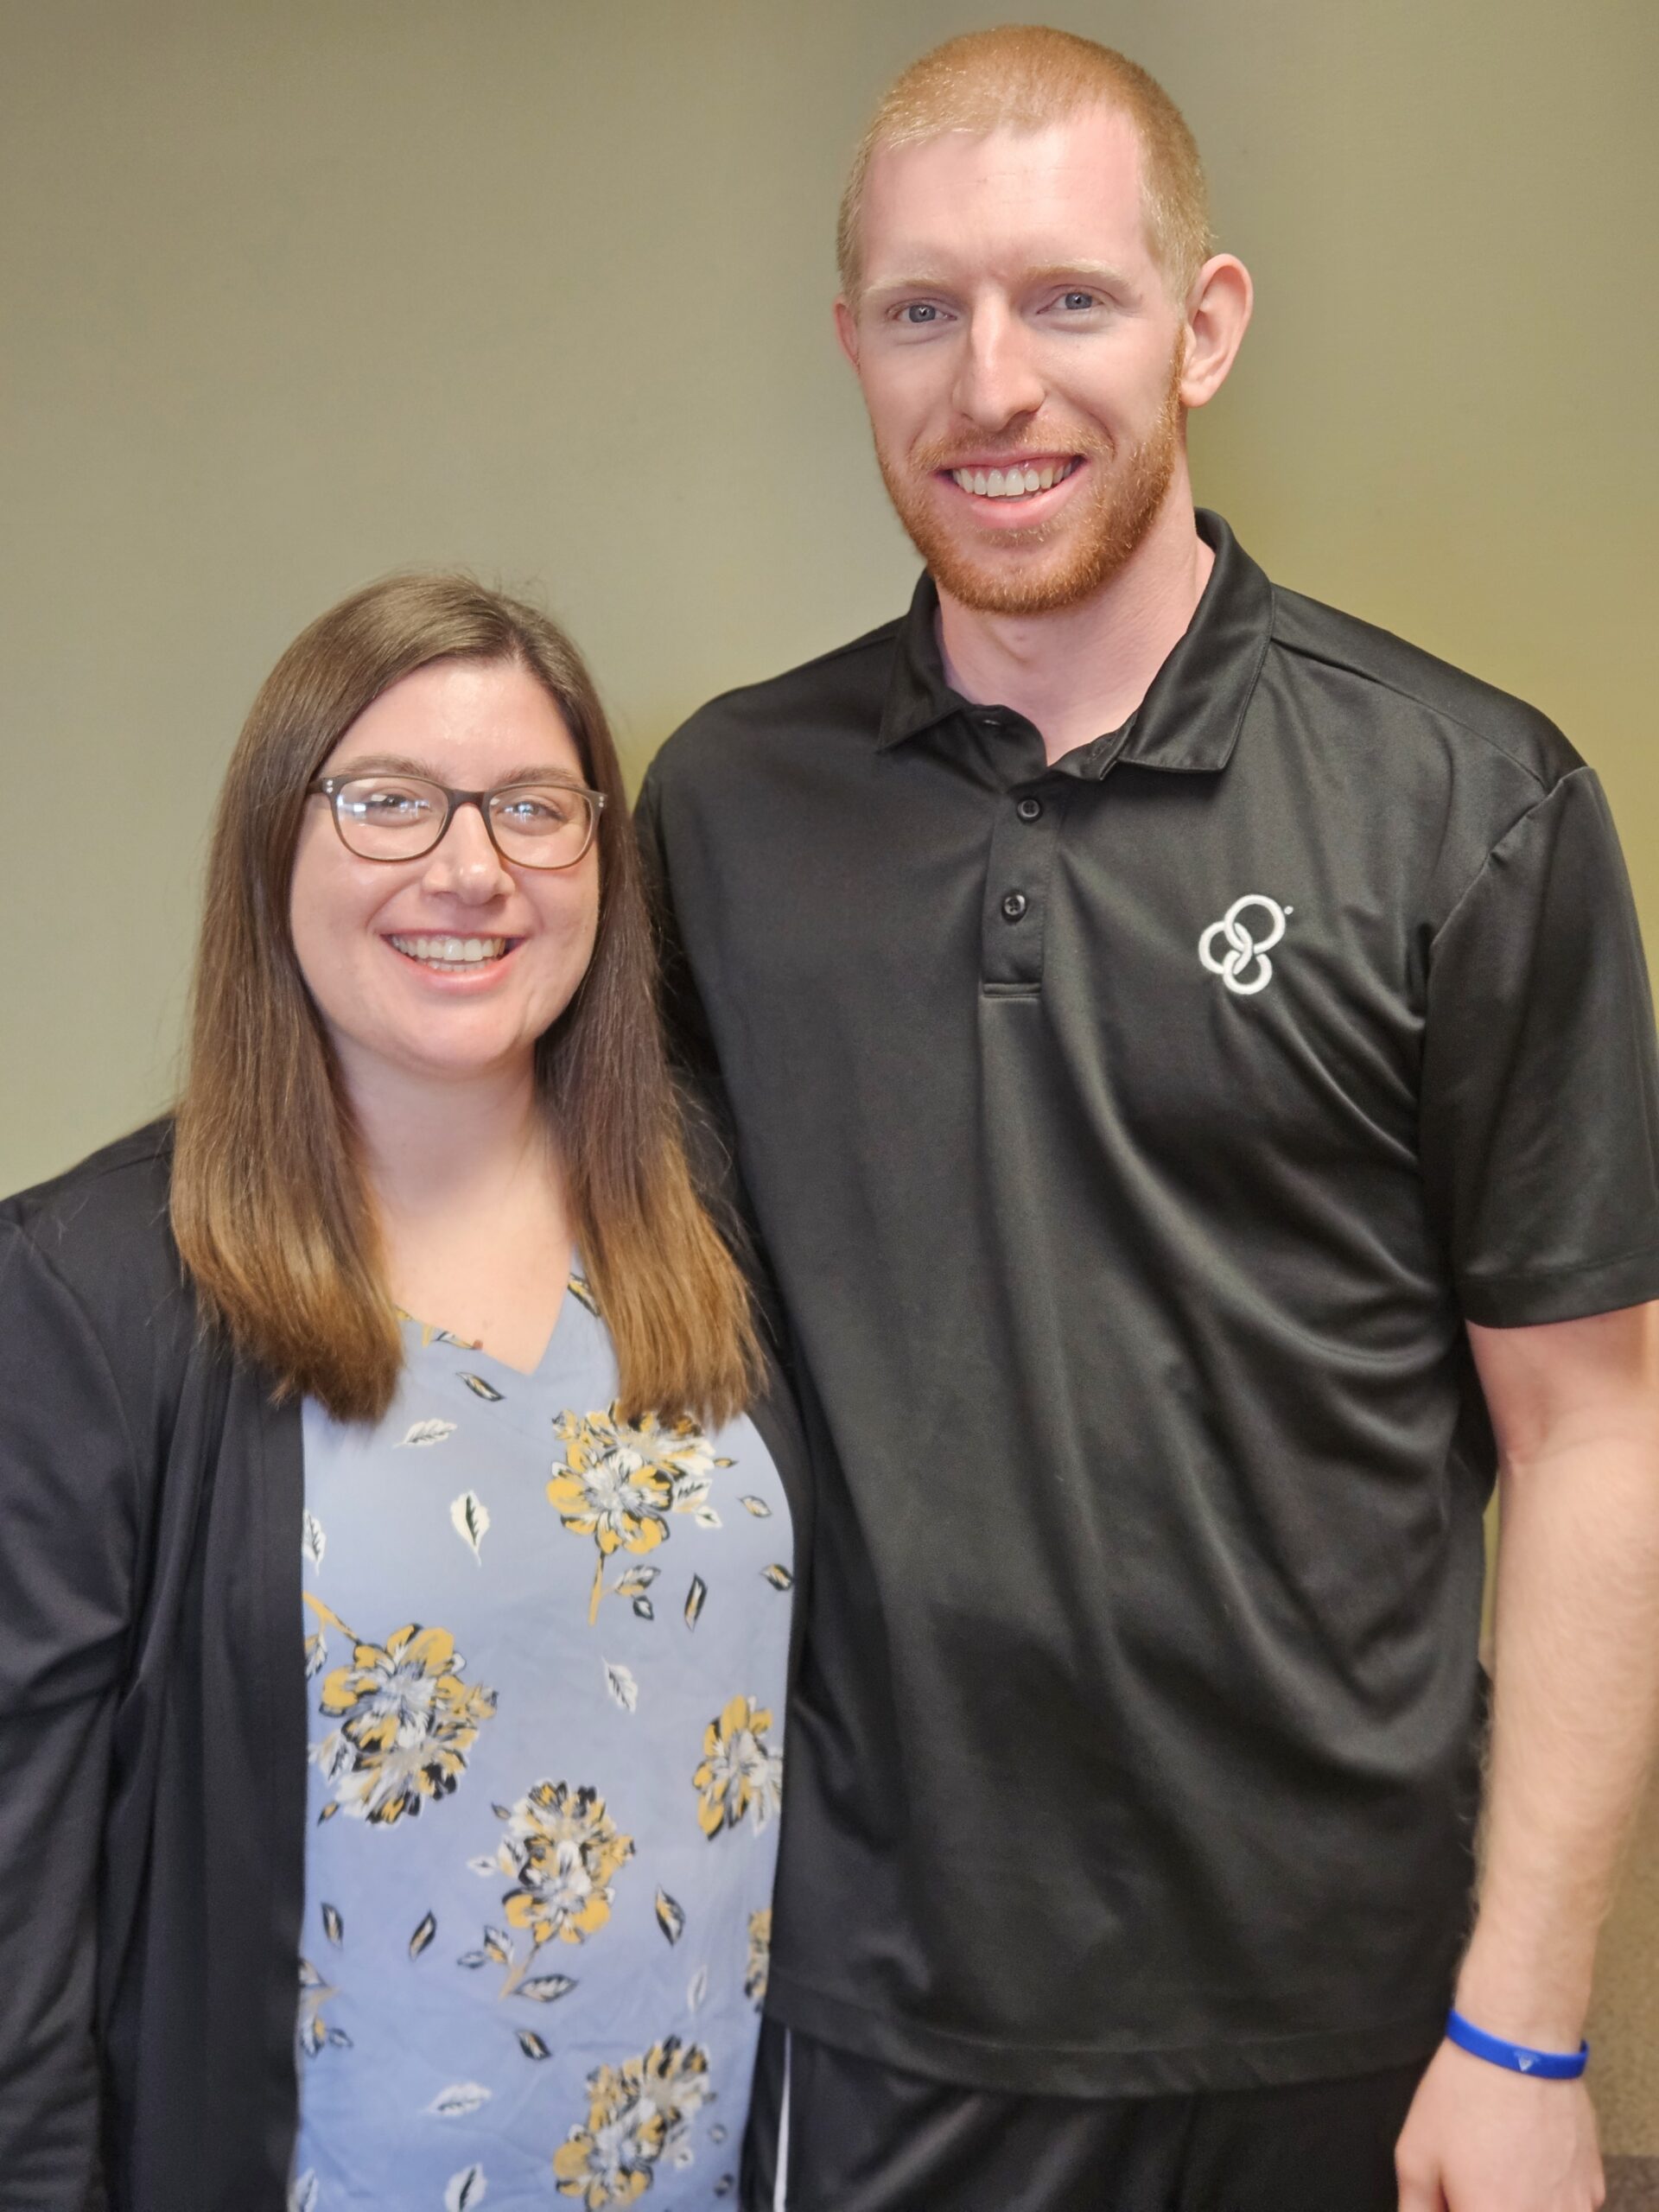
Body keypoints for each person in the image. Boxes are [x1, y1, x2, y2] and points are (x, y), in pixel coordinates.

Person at [636, 26, 1659, 2212]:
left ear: (1204, 328)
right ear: (852, 343)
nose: (992, 382)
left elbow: (1596, 1435)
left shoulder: (1467, 805)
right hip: (885, 2012)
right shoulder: (723, 814)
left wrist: (1527, 2022)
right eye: (925, 307)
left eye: (1069, 299)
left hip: (1358, 2017)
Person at [0, 574, 805, 2211]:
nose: (470, 868)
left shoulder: (723, 1213)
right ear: (272, 847)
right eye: (387, 802)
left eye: (533, 807)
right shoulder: (90, 1293)